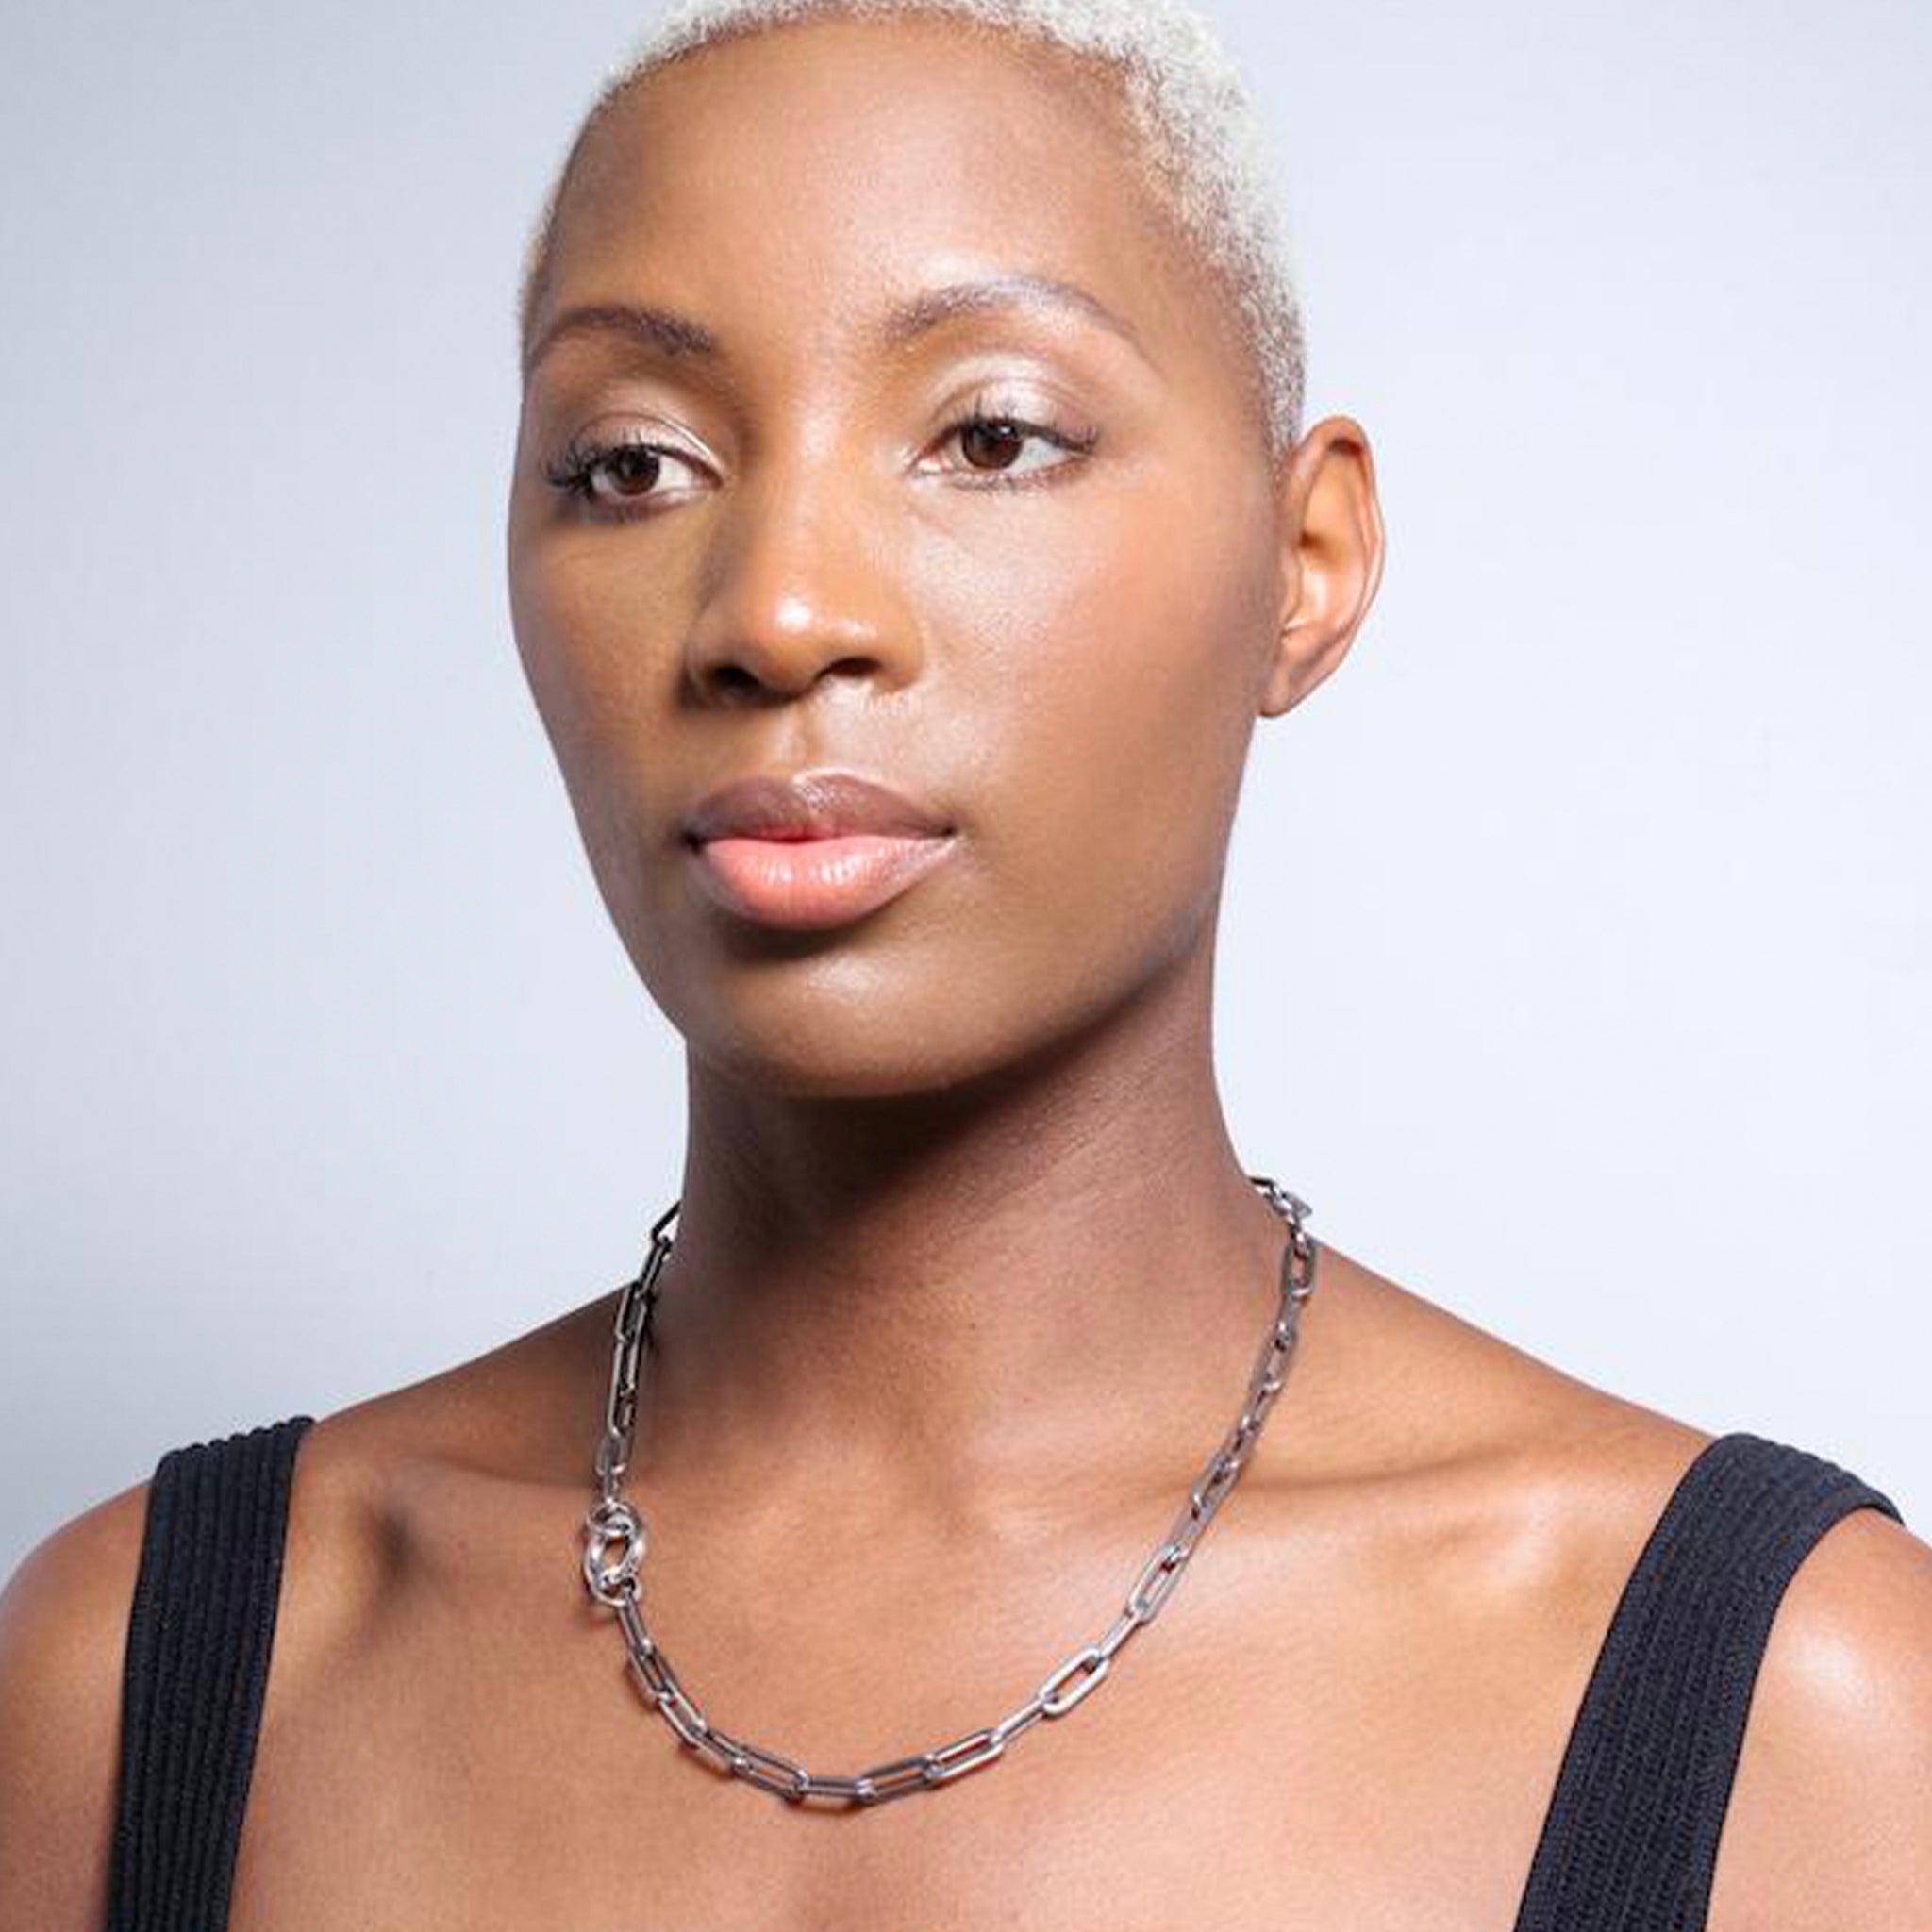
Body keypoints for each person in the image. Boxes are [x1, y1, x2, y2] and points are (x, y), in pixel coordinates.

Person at [3, 2, 1928, 1926]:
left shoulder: (1787, 1712)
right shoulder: (158, 1679)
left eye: (987, 438)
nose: (776, 610)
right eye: (633, 464)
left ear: (1307, 558)